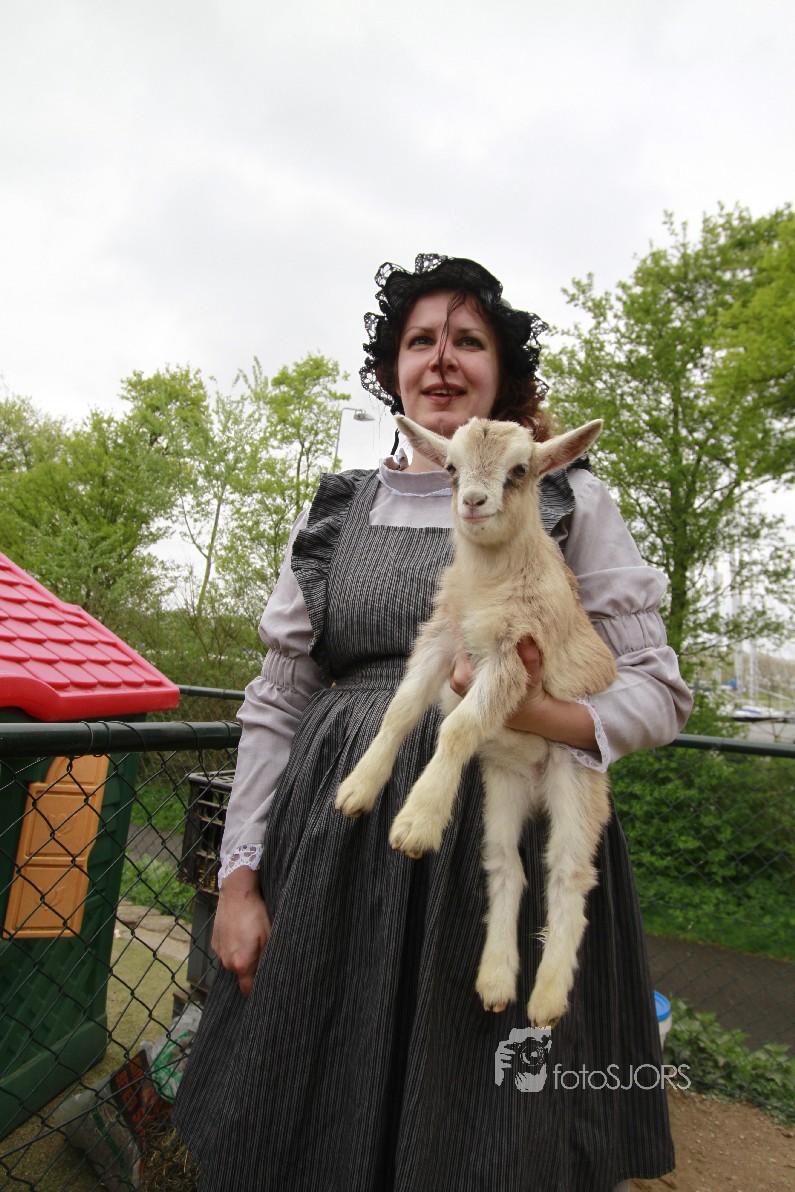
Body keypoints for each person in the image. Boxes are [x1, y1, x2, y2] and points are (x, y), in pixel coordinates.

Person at [174, 254, 693, 1192]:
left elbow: (658, 690)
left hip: (505, 850)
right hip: (334, 869)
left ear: (501, 371)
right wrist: (239, 879)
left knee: (488, 1137)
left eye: (469, 342)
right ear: (395, 372)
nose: (442, 359)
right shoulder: (339, 512)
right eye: (420, 341)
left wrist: (540, 712)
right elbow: (276, 703)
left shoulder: (568, 498)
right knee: (299, 1114)